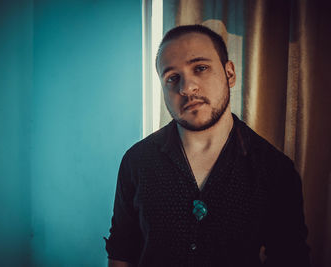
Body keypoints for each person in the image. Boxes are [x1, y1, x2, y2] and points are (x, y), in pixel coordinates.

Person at [105, 24, 310, 267]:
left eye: (200, 68)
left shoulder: (275, 170)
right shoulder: (137, 161)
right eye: (172, 78)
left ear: (230, 73)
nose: (186, 88)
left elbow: (289, 257)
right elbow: (122, 250)